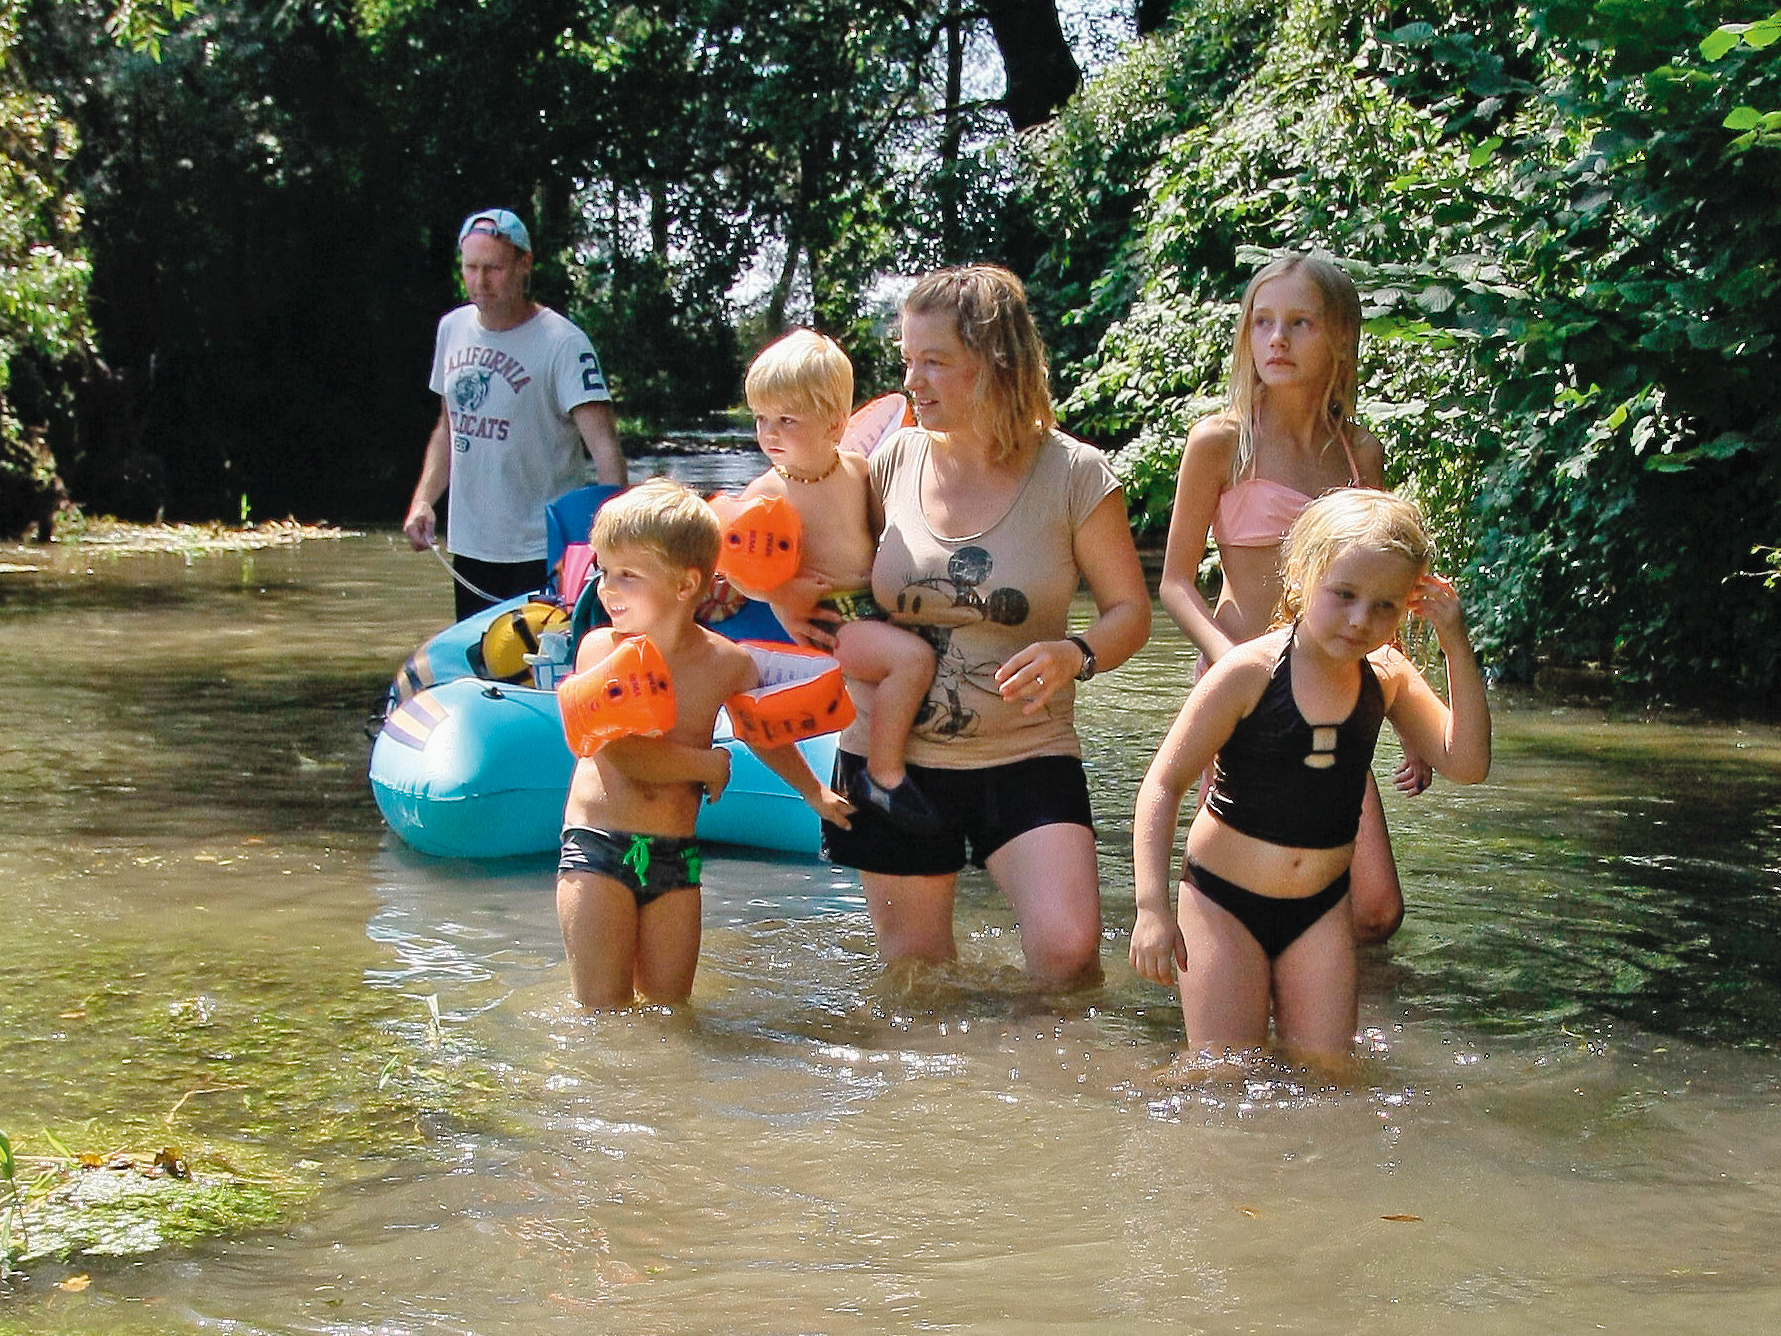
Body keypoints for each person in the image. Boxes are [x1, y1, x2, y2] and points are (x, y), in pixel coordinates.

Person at [814, 264, 1152, 987]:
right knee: (918, 981)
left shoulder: (1075, 474)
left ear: (997, 360)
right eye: (907, 360)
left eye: (934, 361)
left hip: (1030, 751)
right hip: (889, 759)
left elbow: (1130, 612)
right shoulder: (884, 463)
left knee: (1068, 956)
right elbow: (816, 574)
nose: (913, 381)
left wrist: (1077, 653)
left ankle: (1047, 1096)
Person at [1130, 489, 1490, 1060]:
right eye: (1343, 595)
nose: (1360, 620)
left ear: (1409, 604)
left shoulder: (1387, 674)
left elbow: (1467, 764)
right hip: (1223, 902)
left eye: (1385, 606)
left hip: (1320, 906)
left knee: (1328, 1078)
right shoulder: (1246, 672)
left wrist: (1454, 644)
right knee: (1223, 1077)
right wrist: (1151, 906)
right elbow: (1164, 783)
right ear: (1299, 578)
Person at [1156, 251, 1423, 944]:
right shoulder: (1221, 442)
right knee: (1245, 870)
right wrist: (1225, 663)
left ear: (1338, 336)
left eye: (1298, 323)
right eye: (1261, 322)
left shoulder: (1357, 452)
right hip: (1238, 684)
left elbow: (1376, 596)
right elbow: (1175, 582)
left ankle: (1332, 1028)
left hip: (1334, 684)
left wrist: (1411, 717)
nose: (1275, 339)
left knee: (1375, 909)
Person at [555, 479, 853, 1009]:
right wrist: (707, 765)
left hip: (676, 856)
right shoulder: (601, 650)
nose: (606, 588)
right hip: (599, 849)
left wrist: (814, 793)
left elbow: (763, 733)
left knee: (672, 1013)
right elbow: (619, 753)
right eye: (604, 571)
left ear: (685, 583)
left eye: (627, 575)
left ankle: (665, 1093)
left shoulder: (724, 664)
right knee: (601, 1012)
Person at [727, 329, 941, 832]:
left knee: (910, 664)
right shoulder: (765, 495)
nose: (769, 433)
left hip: (873, 609)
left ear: (836, 422)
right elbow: (736, 571)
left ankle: (894, 771)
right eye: (760, 419)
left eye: (786, 419)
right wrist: (781, 590)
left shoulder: (859, 471)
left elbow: (880, 533)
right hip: (829, 620)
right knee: (914, 660)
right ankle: (884, 773)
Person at [403, 208, 627, 621]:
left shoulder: (564, 344)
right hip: (470, 546)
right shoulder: (451, 329)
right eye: (470, 268)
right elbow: (448, 427)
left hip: (542, 550)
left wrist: (608, 546)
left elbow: (606, 453)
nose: (480, 282)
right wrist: (423, 501)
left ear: (524, 265)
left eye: (493, 268)